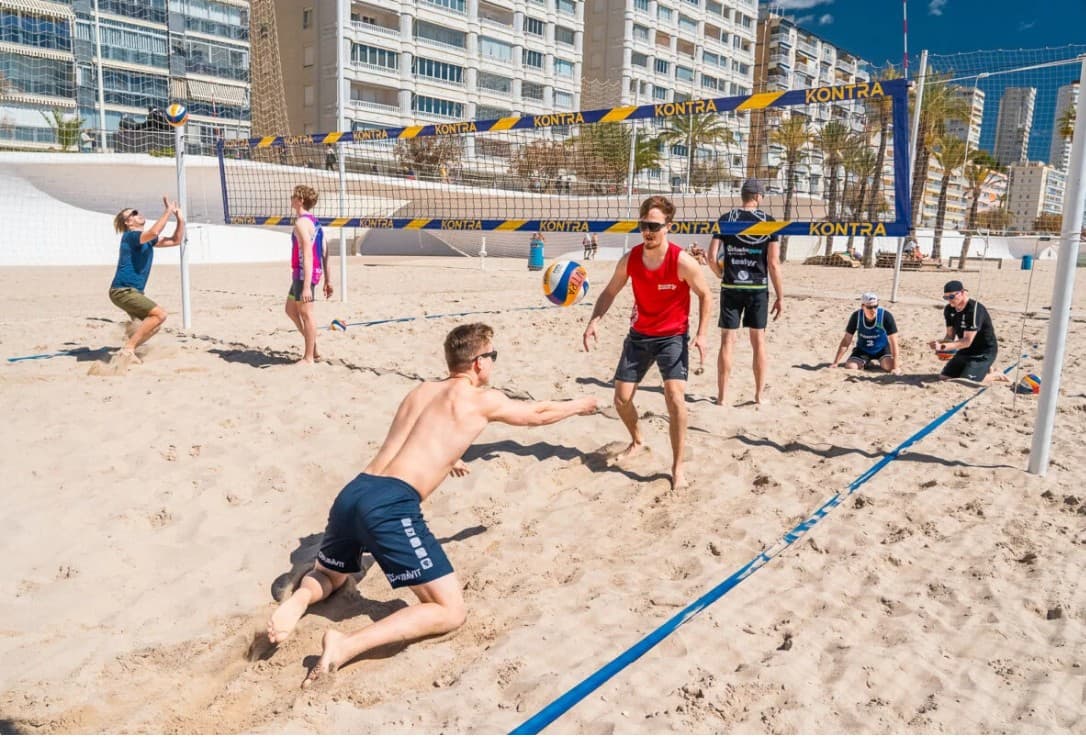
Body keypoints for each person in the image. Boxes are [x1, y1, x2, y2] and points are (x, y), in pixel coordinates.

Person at [265, 323, 598, 686]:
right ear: (478, 363)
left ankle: (298, 602)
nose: (493, 364)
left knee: (330, 574)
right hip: (390, 505)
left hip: (354, 492)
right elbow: (537, 414)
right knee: (449, 610)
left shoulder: (420, 391)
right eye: (493, 356)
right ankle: (345, 645)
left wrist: (449, 456)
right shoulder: (480, 399)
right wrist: (579, 405)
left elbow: (417, 439)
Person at [582, 195, 712, 490]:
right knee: (621, 398)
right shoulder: (631, 259)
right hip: (640, 335)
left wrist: (702, 334)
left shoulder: (682, 261)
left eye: (654, 225)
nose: (647, 231)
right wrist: (594, 321)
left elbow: (706, 295)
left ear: (668, 226)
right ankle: (637, 440)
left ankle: (677, 468)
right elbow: (610, 292)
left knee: (675, 398)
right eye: (643, 225)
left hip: (672, 336)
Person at [707, 178, 783, 405]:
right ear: (758, 197)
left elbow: (711, 257)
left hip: (730, 286)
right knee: (758, 341)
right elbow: (773, 262)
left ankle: (722, 397)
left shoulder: (725, 219)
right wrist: (780, 296)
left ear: (743, 196)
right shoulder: (769, 222)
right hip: (757, 287)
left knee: (727, 341)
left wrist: (720, 274)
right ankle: (759, 396)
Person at [107, 196, 186, 366]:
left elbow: (175, 240)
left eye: (137, 211)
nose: (138, 214)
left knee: (153, 325)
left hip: (132, 291)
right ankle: (128, 349)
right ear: (128, 222)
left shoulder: (146, 239)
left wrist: (180, 219)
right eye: (133, 214)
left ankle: (129, 345)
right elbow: (154, 232)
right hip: (122, 290)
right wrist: (167, 212)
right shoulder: (130, 236)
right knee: (160, 315)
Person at [285, 184, 333, 364]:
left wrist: (306, 286)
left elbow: (308, 251)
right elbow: (325, 251)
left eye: (293, 196)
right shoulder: (315, 222)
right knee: (290, 310)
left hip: (304, 275)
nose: (290, 199)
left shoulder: (301, 223)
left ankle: (309, 358)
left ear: (300, 200)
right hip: (305, 273)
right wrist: (328, 280)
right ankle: (313, 349)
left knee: (306, 314)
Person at [928, 280, 1009, 384]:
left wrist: (944, 347)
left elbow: (967, 341)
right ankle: (984, 369)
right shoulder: (949, 309)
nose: (949, 300)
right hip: (965, 350)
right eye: (946, 297)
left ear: (962, 293)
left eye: (951, 297)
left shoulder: (974, 310)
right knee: (944, 377)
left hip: (983, 351)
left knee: (967, 381)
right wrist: (942, 348)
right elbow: (950, 335)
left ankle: (996, 375)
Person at [830, 292, 901, 374]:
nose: (873, 310)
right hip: (863, 349)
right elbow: (846, 340)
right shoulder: (856, 316)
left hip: (882, 349)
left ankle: (893, 360)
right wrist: (836, 362)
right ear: (863, 306)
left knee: (889, 366)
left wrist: (896, 368)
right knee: (850, 367)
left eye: (875, 306)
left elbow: (894, 342)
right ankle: (866, 362)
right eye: (870, 307)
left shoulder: (886, 316)